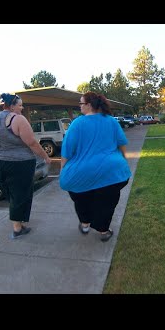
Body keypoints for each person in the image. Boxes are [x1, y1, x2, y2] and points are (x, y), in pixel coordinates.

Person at [0, 93, 52, 239]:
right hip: (19, 164)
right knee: (20, 194)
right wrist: (45, 157)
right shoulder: (18, 119)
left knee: (11, 193)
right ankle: (17, 228)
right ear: (11, 106)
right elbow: (32, 143)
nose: (22, 108)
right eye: (20, 105)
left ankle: (19, 222)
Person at [59, 91, 131, 242]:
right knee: (107, 202)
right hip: (112, 171)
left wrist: (63, 169)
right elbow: (122, 144)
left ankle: (85, 224)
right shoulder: (111, 121)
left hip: (81, 173)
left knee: (81, 198)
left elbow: (67, 150)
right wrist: (124, 161)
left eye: (81, 103)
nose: (79, 107)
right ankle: (103, 231)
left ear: (89, 105)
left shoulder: (77, 123)